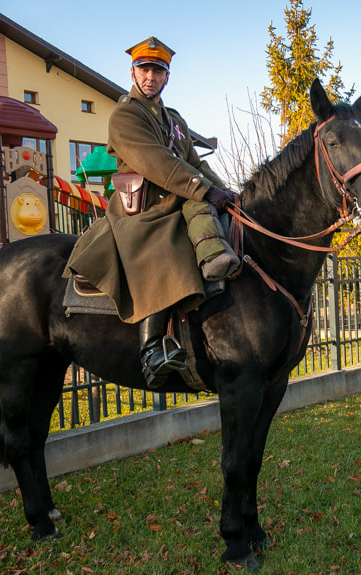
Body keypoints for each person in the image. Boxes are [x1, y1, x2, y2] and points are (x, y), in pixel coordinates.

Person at [64, 37, 240, 388]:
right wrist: (206, 191)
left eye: (157, 71)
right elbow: (157, 163)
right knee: (168, 243)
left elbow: (193, 163)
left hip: (176, 199)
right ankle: (150, 349)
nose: (150, 77)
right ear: (133, 72)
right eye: (144, 69)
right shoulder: (126, 114)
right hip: (142, 209)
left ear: (167, 78)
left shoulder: (174, 120)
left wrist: (229, 193)